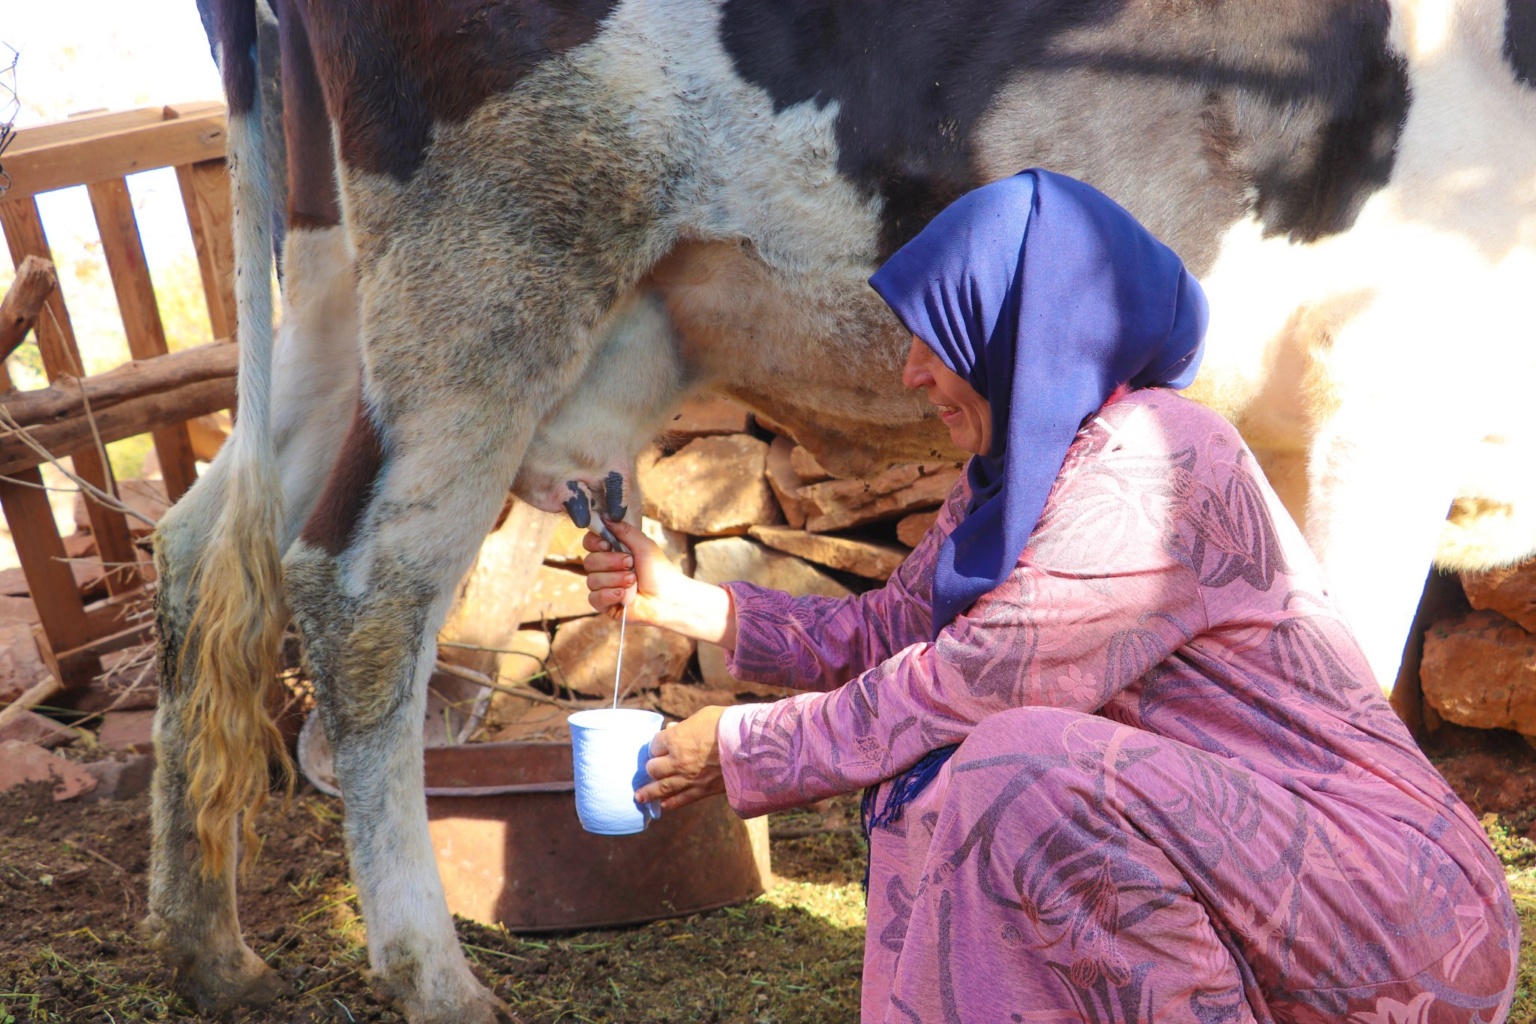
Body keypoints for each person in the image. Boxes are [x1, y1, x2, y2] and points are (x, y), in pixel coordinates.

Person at [582, 169, 1519, 1023]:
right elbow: (887, 631)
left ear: (1019, 326)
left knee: (1015, 768)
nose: (912, 372)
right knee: (959, 780)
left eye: (937, 335)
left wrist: (744, 745)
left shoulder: (1157, 457)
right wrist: (685, 601)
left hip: (1394, 911)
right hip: (1258, 891)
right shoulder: (1014, 484)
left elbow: (981, 680)